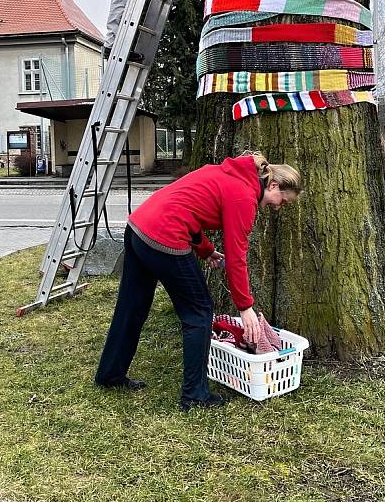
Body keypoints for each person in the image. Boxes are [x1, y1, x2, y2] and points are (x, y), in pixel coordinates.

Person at [95, 152, 302, 411]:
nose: (279, 206)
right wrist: (245, 307)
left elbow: (187, 208)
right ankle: (195, 396)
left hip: (139, 228)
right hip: (164, 236)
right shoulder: (244, 196)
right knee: (199, 313)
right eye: (282, 200)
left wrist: (206, 250)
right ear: (273, 185)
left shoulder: (226, 173)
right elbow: (237, 257)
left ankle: (110, 374)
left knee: (131, 306)